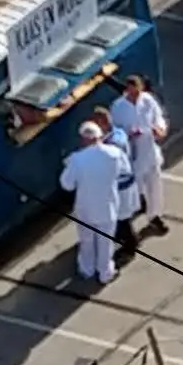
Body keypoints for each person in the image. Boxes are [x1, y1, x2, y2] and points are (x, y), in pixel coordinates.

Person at [57, 120, 125, 285]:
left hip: (86, 209)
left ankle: (87, 269)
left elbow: (66, 184)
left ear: (83, 139)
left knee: (86, 240)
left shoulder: (77, 159)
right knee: (106, 242)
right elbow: (124, 171)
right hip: (107, 206)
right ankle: (105, 273)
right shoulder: (114, 154)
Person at [108, 74, 170, 237]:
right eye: (132, 92)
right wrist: (128, 134)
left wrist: (160, 129)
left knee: (155, 186)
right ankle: (124, 223)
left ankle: (155, 216)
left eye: (137, 92)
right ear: (127, 90)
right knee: (132, 191)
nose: (135, 95)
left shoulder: (148, 100)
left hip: (150, 150)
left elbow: (158, 118)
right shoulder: (118, 107)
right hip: (132, 155)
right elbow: (115, 131)